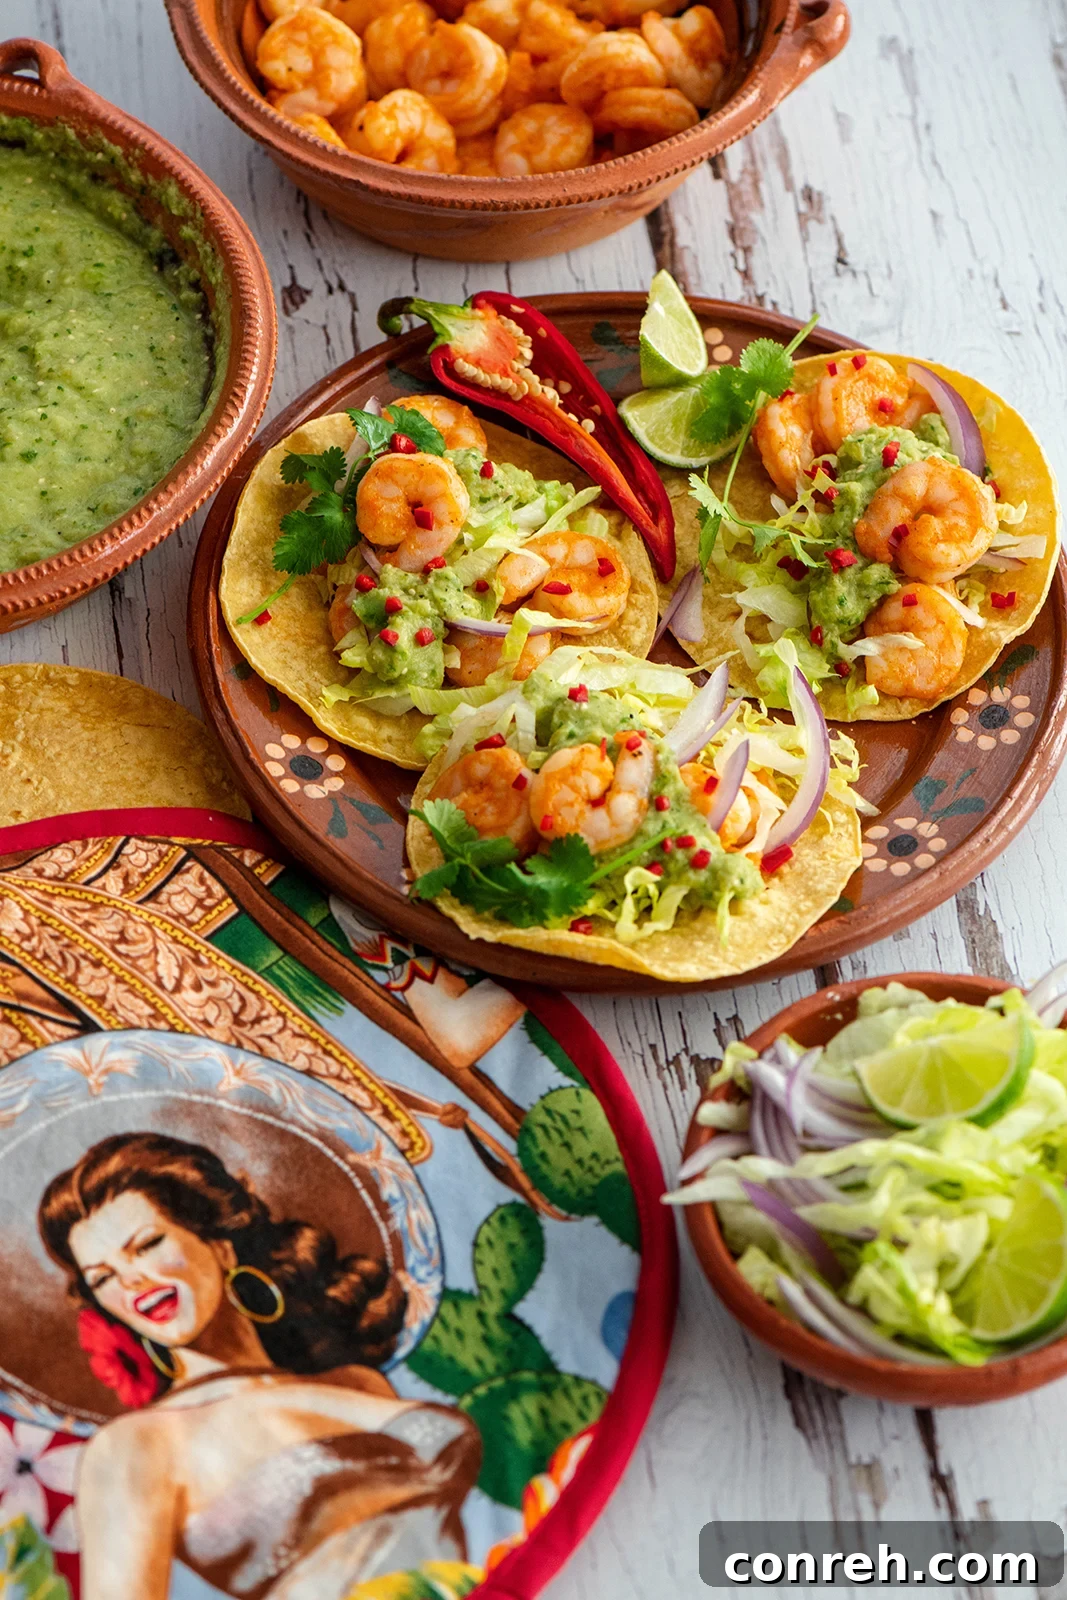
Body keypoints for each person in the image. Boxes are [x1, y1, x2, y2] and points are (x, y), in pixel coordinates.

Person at [38, 1132, 481, 1598]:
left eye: (146, 1245)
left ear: (222, 1247)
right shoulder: (135, 1445)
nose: (132, 1281)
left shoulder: (354, 1382)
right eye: (103, 1278)